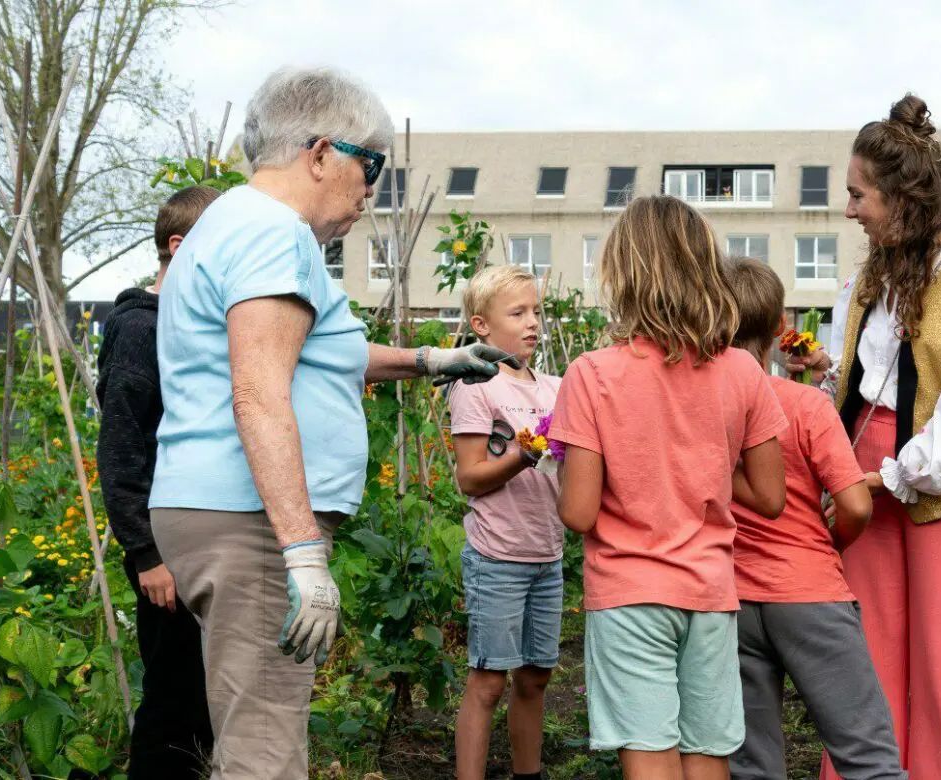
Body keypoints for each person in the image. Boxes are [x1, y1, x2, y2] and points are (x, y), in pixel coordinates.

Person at [147, 66, 509, 778]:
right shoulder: (271, 235)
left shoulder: (234, 223)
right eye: (368, 164)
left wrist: (432, 359)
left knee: (256, 726)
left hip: (223, 509)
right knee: (264, 749)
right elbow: (259, 392)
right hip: (248, 517)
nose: (371, 190)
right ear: (318, 153)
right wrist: (302, 555)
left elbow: (319, 352)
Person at [789, 95, 941, 780]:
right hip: (871, 483)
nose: (848, 209)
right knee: (864, 668)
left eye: (857, 194)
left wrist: (889, 476)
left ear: (901, 198)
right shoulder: (870, 278)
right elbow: (868, 381)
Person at [548, 195, 789, 780]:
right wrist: (699, 461)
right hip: (709, 590)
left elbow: (579, 512)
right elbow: (770, 495)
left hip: (630, 590)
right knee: (706, 754)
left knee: (648, 753)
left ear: (624, 274)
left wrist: (562, 466)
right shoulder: (743, 371)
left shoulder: (592, 374)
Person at [722, 257, 906, 780]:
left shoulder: (701, 406)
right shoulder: (803, 405)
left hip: (731, 599)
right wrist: (833, 544)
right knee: (867, 758)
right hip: (808, 592)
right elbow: (853, 503)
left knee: (751, 766)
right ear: (777, 323)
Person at [97, 184, 221, 778]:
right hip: (160, 547)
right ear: (180, 246)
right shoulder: (141, 331)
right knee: (171, 702)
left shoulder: (186, 323)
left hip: (190, 535)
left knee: (197, 697)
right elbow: (121, 447)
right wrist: (146, 554)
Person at [447, 265, 562, 780]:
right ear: (481, 326)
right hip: (497, 557)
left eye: (536, 311)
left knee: (535, 677)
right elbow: (471, 478)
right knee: (489, 681)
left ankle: (527, 775)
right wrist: (522, 454)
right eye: (517, 313)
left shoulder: (559, 388)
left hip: (547, 555)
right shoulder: (477, 387)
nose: (533, 322)